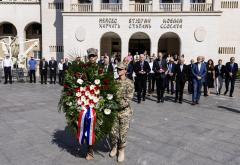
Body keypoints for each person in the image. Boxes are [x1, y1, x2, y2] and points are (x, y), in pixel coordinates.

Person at [109, 62, 134, 163]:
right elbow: (110, 95)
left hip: (124, 112)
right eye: (118, 69)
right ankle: (114, 147)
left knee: (123, 133)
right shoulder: (114, 82)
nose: (119, 71)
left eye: (121, 69)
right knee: (113, 132)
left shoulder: (130, 83)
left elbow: (128, 99)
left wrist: (116, 105)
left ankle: (121, 150)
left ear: (125, 71)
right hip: (114, 112)